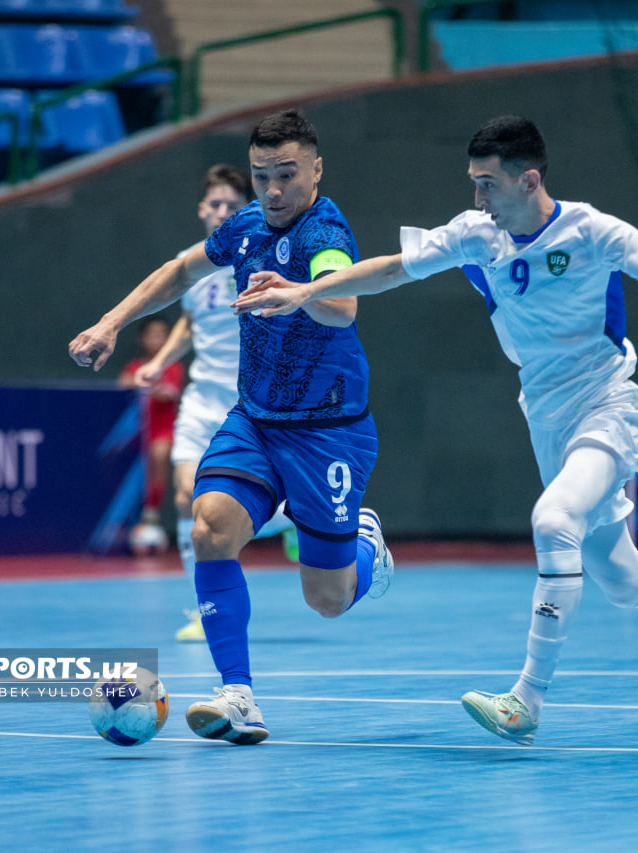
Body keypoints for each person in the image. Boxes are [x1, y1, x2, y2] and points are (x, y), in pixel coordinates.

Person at [231, 114, 638, 746]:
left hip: (608, 403)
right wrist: (305, 290)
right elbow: (391, 269)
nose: (477, 199)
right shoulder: (478, 235)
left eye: (487, 185)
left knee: (553, 519)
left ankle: (526, 701)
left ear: (528, 180)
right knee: (625, 582)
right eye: (473, 183)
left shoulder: (591, 231)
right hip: (546, 413)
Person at [69, 109, 393, 745]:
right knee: (210, 525)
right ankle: (238, 694)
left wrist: (298, 291)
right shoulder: (245, 226)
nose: (274, 190)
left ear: (317, 170)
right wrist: (112, 322)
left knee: (325, 599)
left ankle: (367, 545)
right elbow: (182, 270)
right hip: (256, 419)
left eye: (288, 175)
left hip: (327, 430)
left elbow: (342, 302)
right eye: (262, 175)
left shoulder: (324, 230)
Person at [131, 164, 300, 643]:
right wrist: (160, 361)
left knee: (232, 511)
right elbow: (189, 323)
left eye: (232, 204)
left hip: (249, 405)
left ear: (243, 209)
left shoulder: (260, 256)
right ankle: (203, 609)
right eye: (215, 204)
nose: (222, 212)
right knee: (187, 498)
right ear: (202, 210)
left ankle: (291, 518)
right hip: (201, 400)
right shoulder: (192, 261)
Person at [118, 315, 184, 553]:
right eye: (152, 334)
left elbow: (168, 393)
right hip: (136, 433)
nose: (157, 339)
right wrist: (138, 382)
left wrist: (150, 387)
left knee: (160, 454)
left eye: (162, 334)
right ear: (142, 339)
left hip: (163, 430)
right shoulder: (135, 366)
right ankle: (125, 524)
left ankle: (151, 515)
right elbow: (123, 383)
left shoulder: (173, 366)